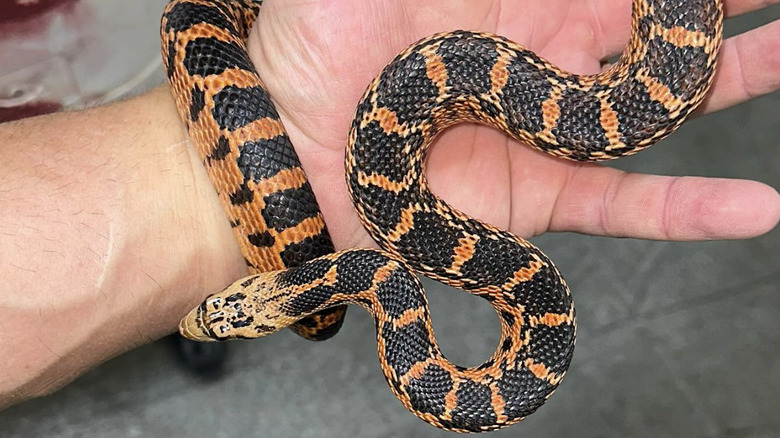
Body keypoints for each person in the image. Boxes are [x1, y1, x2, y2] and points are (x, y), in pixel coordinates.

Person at [1, 0, 779, 410]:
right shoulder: (386, 248)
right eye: (231, 308)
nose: (225, 306)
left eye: (227, 305)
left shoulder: (387, 241)